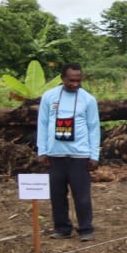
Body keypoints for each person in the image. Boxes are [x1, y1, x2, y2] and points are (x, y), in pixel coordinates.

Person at [36, 64, 100, 240]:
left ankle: (86, 229)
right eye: (71, 80)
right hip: (55, 154)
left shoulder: (88, 99)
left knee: (82, 197)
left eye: (78, 80)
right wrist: (42, 151)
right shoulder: (49, 97)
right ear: (62, 78)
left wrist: (94, 155)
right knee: (57, 195)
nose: (75, 84)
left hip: (79, 155)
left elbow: (94, 128)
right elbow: (42, 124)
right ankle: (62, 229)